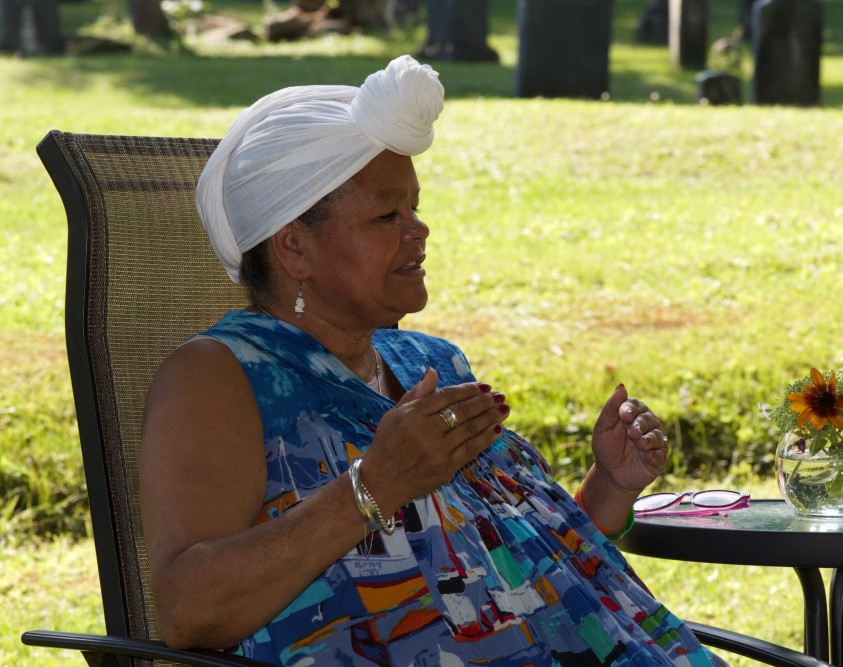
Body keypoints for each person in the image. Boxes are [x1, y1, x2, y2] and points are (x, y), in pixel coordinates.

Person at [140, 55, 726, 667]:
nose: (418, 231)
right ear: (295, 246)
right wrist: (377, 483)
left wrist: (609, 486)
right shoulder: (219, 374)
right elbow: (188, 613)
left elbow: (516, 568)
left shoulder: (431, 361)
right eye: (386, 215)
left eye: (414, 208)